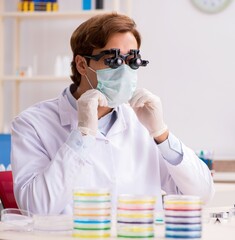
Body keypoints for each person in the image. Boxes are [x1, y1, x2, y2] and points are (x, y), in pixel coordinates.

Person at [11, 13, 214, 215]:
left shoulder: (142, 122)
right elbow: (35, 209)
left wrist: (162, 134)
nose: (125, 71)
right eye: (113, 60)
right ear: (82, 64)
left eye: (132, 60)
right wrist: (82, 137)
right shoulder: (32, 124)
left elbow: (201, 195)